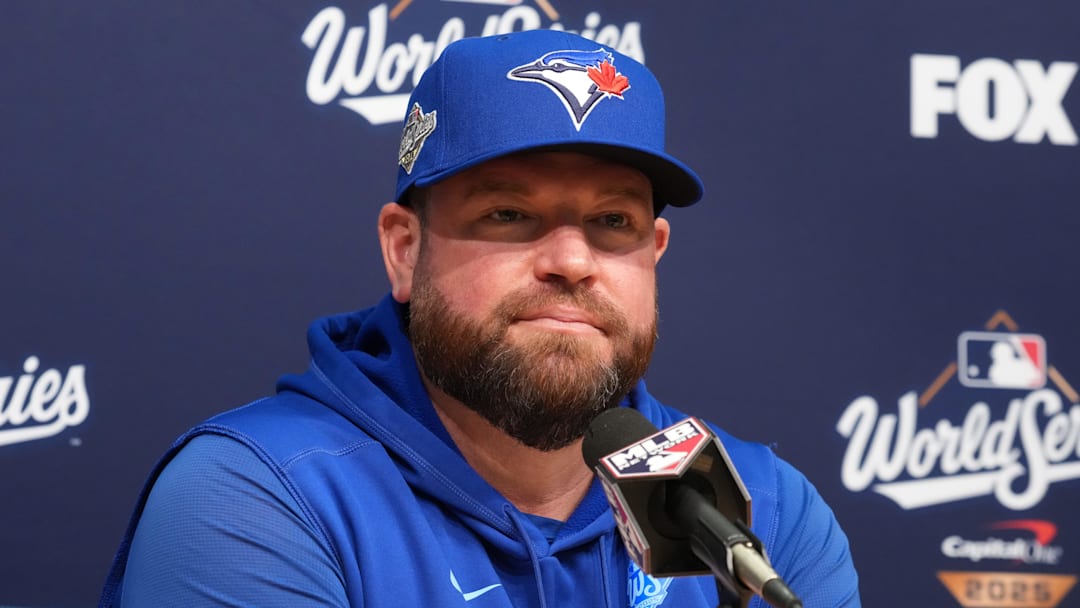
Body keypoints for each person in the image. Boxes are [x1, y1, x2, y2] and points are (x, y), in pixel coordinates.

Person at [100, 29, 860, 608]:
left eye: (613, 222)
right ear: (404, 250)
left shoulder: (764, 511)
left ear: (655, 252)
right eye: (509, 213)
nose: (572, 259)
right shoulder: (258, 495)